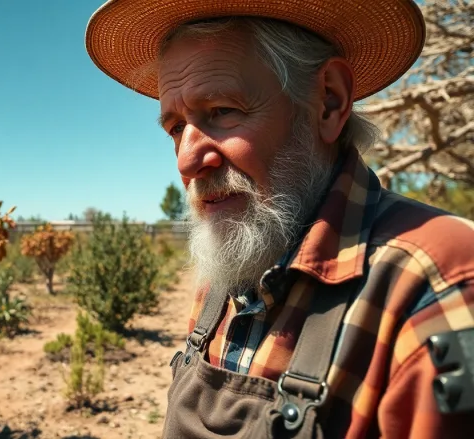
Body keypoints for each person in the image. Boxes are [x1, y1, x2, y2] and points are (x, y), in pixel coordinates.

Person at [85, 1, 473, 438]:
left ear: (328, 102)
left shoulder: (436, 287)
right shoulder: (230, 265)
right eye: (176, 128)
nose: (187, 160)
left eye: (222, 110)